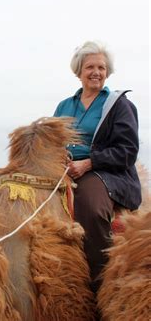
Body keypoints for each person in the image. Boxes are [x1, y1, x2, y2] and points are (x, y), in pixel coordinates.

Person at [53, 41, 141, 295]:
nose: (96, 72)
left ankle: (102, 281)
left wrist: (89, 162)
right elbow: (52, 142)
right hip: (64, 168)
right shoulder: (64, 106)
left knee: (90, 208)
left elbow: (127, 151)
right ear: (78, 71)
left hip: (105, 171)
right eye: (90, 66)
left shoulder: (118, 105)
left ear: (107, 72)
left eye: (101, 67)